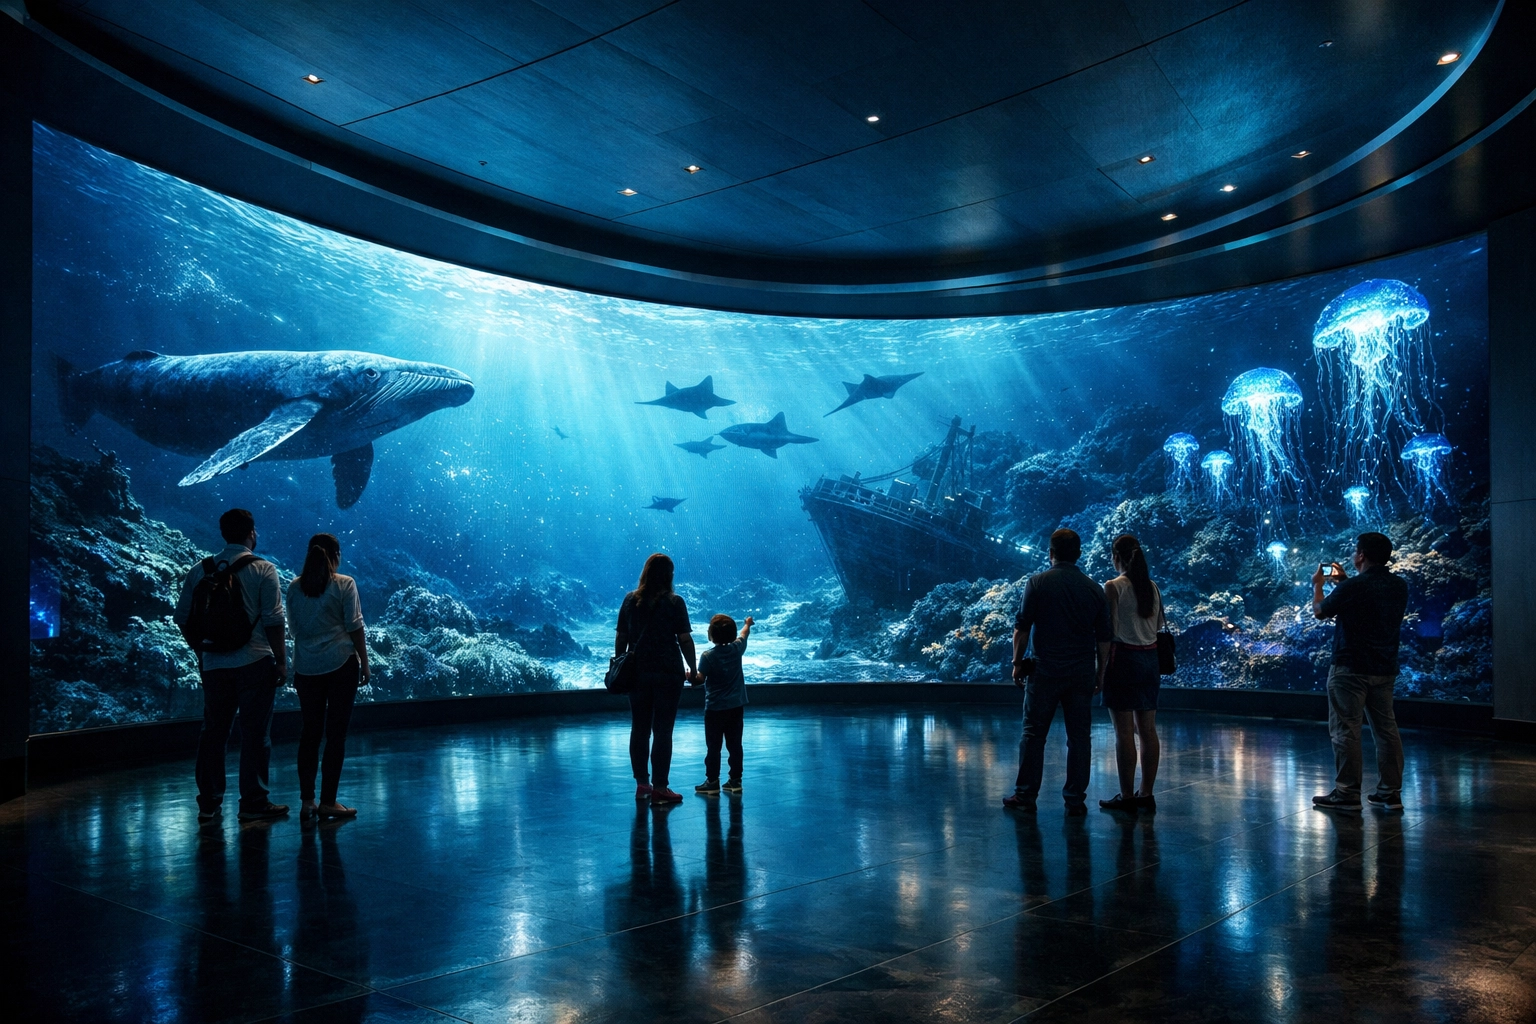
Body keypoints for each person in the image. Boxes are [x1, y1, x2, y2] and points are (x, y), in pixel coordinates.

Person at [174, 508, 289, 822]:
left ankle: (209, 803)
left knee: (213, 733)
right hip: (255, 661)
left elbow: (182, 618)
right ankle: (253, 802)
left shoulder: (200, 569)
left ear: (223, 533)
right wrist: (281, 661)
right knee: (255, 735)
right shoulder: (264, 569)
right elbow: (274, 620)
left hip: (214, 665)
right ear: (252, 532)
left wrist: (201, 651)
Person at [1005, 528, 1111, 815]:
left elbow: (1022, 627)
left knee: (1033, 733)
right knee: (1079, 738)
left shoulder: (1037, 583)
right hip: (1081, 672)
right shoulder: (1093, 589)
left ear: (1050, 553)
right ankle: (1075, 798)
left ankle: (1026, 794)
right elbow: (1104, 638)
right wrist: (1100, 674)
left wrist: (1017, 663)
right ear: (1078, 554)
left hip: (1045, 672)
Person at [1310, 531, 1409, 812]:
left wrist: (1317, 585)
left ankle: (1347, 792)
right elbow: (1366, 600)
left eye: (1356, 551)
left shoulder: (1354, 587)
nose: (1354, 555)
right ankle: (1390, 792)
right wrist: (1343, 582)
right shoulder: (1398, 586)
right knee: (1386, 729)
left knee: (1346, 729)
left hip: (1350, 669)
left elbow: (1320, 611)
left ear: (1362, 555)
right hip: (1384, 668)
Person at [287, 533, 369, 822]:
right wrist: (365, 663)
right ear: (336, 555)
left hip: (306, 668)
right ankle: (328, 802)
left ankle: (307, 801)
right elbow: (355, 626)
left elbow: (294, 630)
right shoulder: (345, 584)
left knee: (309, 733)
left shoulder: (294, 588)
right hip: (340, 665)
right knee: (336, 735)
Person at [616, 553, 699, 806]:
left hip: (637, 673)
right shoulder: (675, 602)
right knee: (663, 730)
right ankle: (661, 788)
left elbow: (621, 637)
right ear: (669, 576)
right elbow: (684, 639)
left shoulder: (630, 600)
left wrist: (621, 663)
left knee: (639, 728)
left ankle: (642, 784)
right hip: (668, 673)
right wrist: (693, 669)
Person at [1097, 534, 1164, 812]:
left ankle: (1126, 797)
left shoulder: (1113, 587)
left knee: (1124, 732)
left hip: (1123, 660)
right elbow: (1158, 626)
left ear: (1117, 557)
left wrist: (1100, 672)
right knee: (1147, 730)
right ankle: (1146, 793)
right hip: (1150, 660)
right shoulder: (1153, 587)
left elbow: (1107, 632)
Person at [692, 614, 753, 795]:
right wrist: (747, 624)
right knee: (735, 745)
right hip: (736, 707)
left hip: (715, 709)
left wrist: (689, 677)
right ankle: (735, 780)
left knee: (713, 747)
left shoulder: (708, 656)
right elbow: (744, 634)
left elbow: (700, 679)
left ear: (711, 634)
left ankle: (712, 781)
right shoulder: (737, 648)